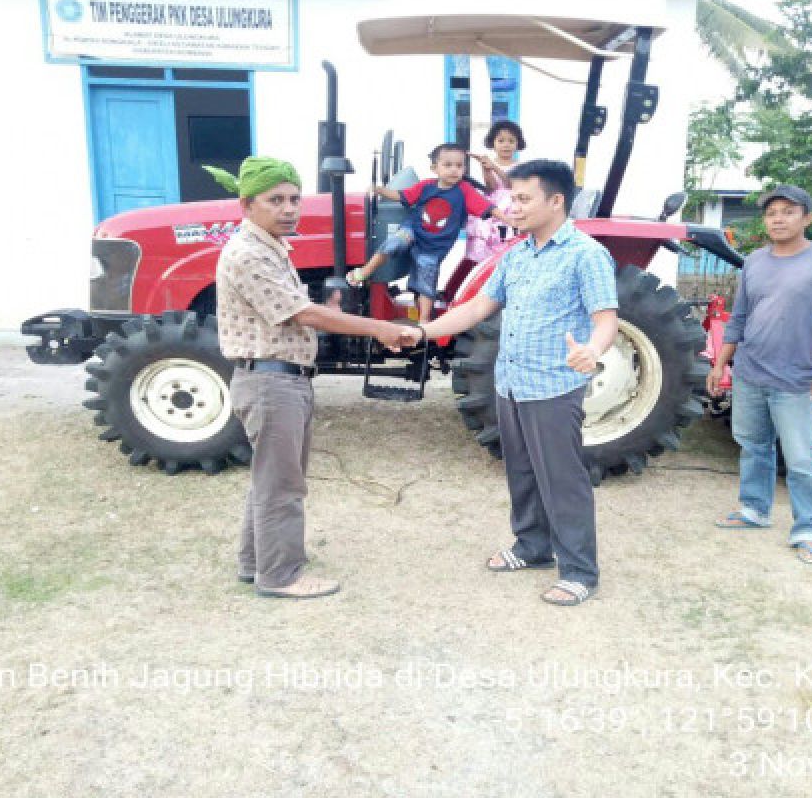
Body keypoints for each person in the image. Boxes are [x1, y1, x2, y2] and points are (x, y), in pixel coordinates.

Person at [404, 159, 619, 606]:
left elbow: (606, 320)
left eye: (522, 199)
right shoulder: (516, 255)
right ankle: (532, 546)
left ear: (556, 201)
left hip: (553, 387)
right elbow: (478, 309)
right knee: (520, 472)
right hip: (511, 382)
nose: (512, 208)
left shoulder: (586, 254)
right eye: (510, 199)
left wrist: (593, 351)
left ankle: (579, 570)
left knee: (561, 479)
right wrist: (423, 331)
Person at [203, 156, 408, 599]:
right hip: (272, 382)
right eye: (275, 200)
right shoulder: (249, 254)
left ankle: (255, 562)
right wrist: (380, 327)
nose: (289, 208)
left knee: (271, 478)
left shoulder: (271, 249)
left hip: (279, 380)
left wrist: (333, 311)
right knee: (283, 485)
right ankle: (281, 576)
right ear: (247, 205)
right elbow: (300, 313)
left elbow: (302, 313)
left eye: (294, 198)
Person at [705, 184, 812, 566]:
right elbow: (739, 317)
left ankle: (808, 528)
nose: (778, 219)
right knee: (753, 444)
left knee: (801, 459)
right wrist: (721, 363)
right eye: (772, 213)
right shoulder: (754, 261)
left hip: (798, 378)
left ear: (807, 217)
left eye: (788, 211)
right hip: (750, 372)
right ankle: (754, 509)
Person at [347, 143, 512, 323]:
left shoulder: (464, 190)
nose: (454, 170)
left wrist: (510, 220)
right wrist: (379, 190)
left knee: (427, 277)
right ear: (435, 168)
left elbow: (487, 206)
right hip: (414, 231)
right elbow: (402, 195)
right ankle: (365, 271)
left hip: (434, 246)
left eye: (459, 165)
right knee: (394, 243)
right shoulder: (426, 186)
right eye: (448, 165)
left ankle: (424, 322)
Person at [464, 120, 526, 265]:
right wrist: (486, 168)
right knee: (487, 236)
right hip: (493, 205)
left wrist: (494, 167)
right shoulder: (488, 163)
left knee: (510, 239)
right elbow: (491, 187)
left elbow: (511, 184)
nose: (506, 145)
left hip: (512, 205)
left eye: (511, 141)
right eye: (501, 140)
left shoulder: (521, 166)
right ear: (493, 143)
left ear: (518, 144)